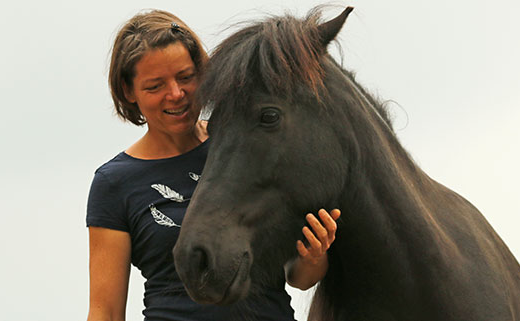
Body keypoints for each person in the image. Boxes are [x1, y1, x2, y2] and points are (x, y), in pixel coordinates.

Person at [86, 10, 341, 321]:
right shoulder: (114, 183)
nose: (176, 94)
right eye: (155, 86)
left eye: (185, 77)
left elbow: (298, 277)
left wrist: (315, 256)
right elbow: (106, 311)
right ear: (129, 91)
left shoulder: (249, 143)